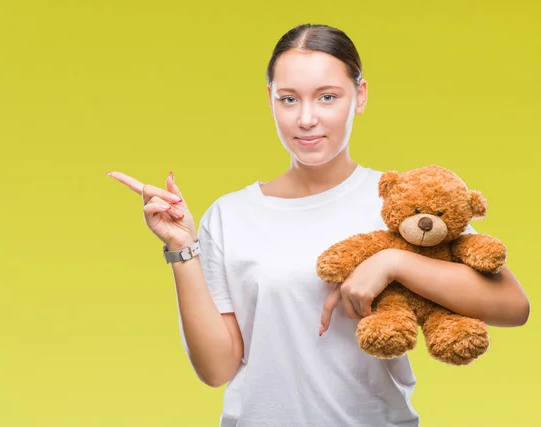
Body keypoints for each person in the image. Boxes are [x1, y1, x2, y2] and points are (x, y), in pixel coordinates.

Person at [106, 23, 530, 427]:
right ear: (269, 98)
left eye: (327, 97)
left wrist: (392, 263)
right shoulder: (231, 214)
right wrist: (182, 248)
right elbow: (217, 369)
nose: (306, 118)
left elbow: (513, 306)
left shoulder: (401, 202)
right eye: (289, 99)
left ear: (359, 96)